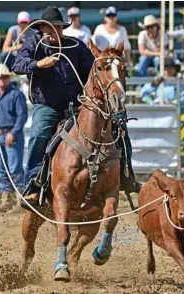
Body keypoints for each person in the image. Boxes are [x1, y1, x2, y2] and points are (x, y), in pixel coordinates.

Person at [12, 6, 140, 206]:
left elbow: (95, 69)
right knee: (39, 133)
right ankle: (33, 185)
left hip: (77, 104)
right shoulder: (34, 44)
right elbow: (17, 65)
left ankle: (126, 175)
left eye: (58, 28)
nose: (54, 32)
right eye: (49, 28)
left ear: (63, 28)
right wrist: (39, 64)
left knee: (119, 128)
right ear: (42, 28)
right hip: (47, 105)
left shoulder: (76, 46)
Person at [0, 64, 28, 213]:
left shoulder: (16, 95)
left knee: (14, 168)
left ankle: (20, 201)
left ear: (9, 78)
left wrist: (13, 132)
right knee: (2, 169)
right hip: (0, 135)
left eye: (5, 77)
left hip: (12, 134)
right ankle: (7, 200)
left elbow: (22, 116)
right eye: (0, 77)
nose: (2, 80)